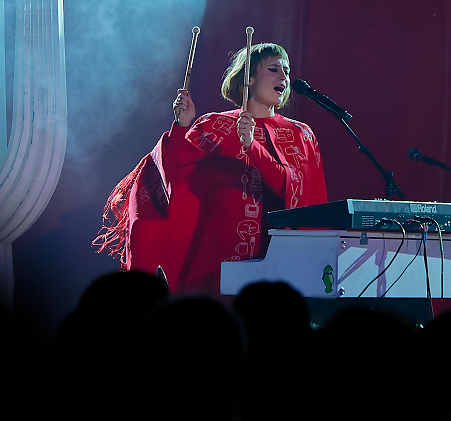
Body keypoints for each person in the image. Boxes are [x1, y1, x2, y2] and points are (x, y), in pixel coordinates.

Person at [96, 43, 328, 293]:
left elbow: (300, 194)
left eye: (287, 70)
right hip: (219, 259)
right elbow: (175, 174)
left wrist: (253, 147)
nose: (284, 77)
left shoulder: (301, 135)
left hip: (283, 264)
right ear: (249, 77)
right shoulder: (214, 126)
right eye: (274, 69)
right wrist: (183, 127)